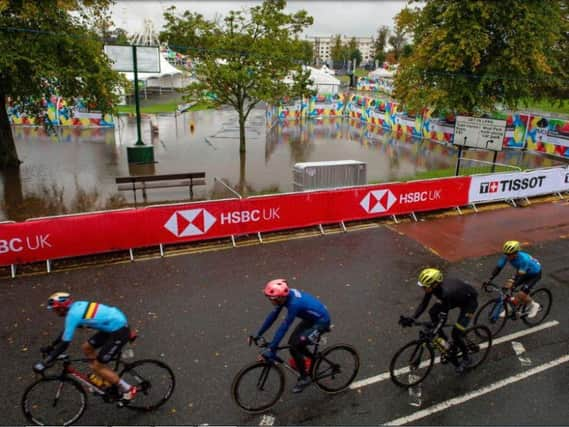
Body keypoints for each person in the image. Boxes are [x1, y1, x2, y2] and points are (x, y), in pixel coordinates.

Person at [33, 292, 137, 401]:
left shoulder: (73, 315)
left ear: (62, 307)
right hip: (111, 325)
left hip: (119, 330)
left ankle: (128, 389)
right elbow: (66, 331)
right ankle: (104, 377)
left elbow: (65, 344)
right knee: (86, 348)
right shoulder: (75, 307)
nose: (55, 312)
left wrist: (45, 362)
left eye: (55, 309)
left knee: (98, 365)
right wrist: (51, 346)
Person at [252, 279, 331, 393]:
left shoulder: (294, 304)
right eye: (269, 297)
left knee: (295, 346)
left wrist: (272, 348)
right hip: (310, 320)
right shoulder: (284, 297)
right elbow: (272, 317)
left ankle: (305, 378)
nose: (271, 300)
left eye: (273, 298)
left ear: (281, 297)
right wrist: (258, 334)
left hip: (321, 322)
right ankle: (310, 360)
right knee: (293, 343)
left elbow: (283, 328)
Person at [399, 268, 479, 374]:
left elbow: (443, 318)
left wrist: (433, 332)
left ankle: (467, 359)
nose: (423, 288)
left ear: (434, 285)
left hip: (469, 303)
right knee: (432, 312)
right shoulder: (432, 287)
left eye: (424, 287)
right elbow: (424, 304)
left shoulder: (445, 294)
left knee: (456, 333)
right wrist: (413, 318)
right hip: (456, 297)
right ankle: (443, 338)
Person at [486, 240, 541, 318]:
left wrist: (513, 281)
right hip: (522, 272)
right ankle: (511, 306)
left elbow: (520, 274)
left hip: (534, 274)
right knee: (508, 287)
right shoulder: (506, 256)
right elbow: (498, 268)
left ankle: (534, 305)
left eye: (510, 254)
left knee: (521, 293)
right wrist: (490, 279)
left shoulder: (524, 260)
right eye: (506, 254)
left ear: (516, 253)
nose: (508, 256)